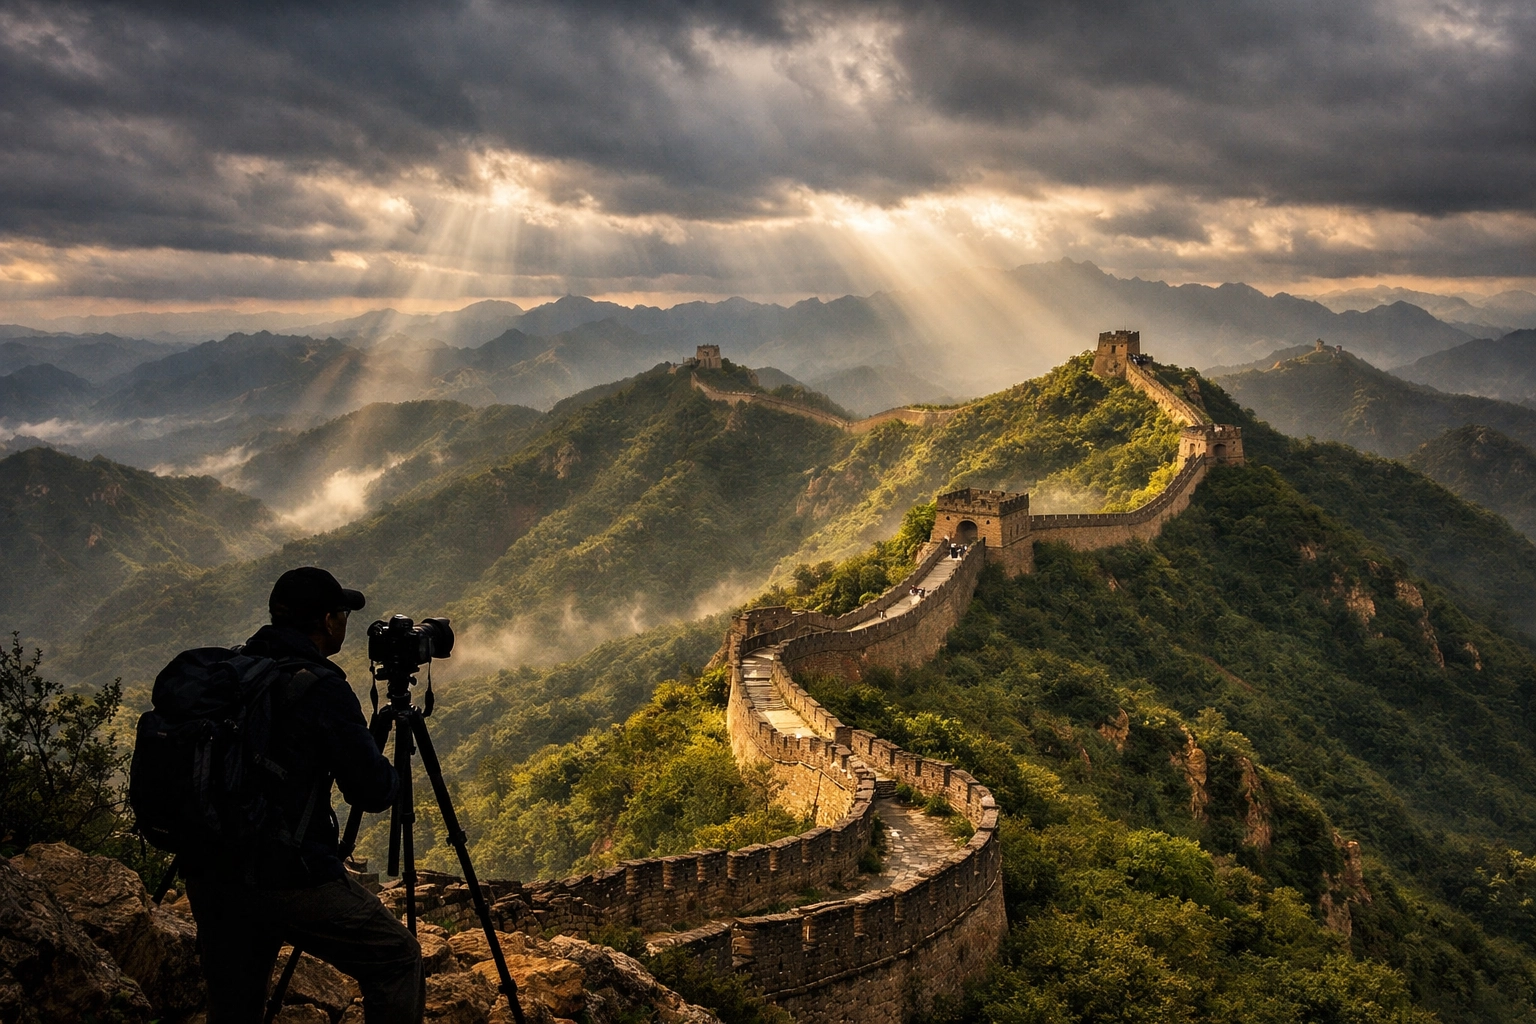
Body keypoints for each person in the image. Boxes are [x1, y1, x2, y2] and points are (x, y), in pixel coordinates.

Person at [182, 567, 424, 1024]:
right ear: (328, 621)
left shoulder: (235, 670)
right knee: (396, 957)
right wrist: (390, 771)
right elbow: (371, 792)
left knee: (234, 1006)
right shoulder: (321, 687)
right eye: (343, 614)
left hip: (211, 870)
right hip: (286, 876)